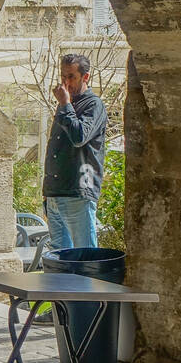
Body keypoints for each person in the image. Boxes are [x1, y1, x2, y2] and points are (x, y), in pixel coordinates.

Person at [42, 53, 108, 251]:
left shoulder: (93, 105)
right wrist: (47, 192)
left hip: (78, 191)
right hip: (56, 192)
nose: (66, 82)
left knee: (84, 259)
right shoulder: (67, 104)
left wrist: (65, 105)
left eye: (71, 77)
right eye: (63, 76)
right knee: (60, 261)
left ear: (85, 77)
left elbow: (79, 136)